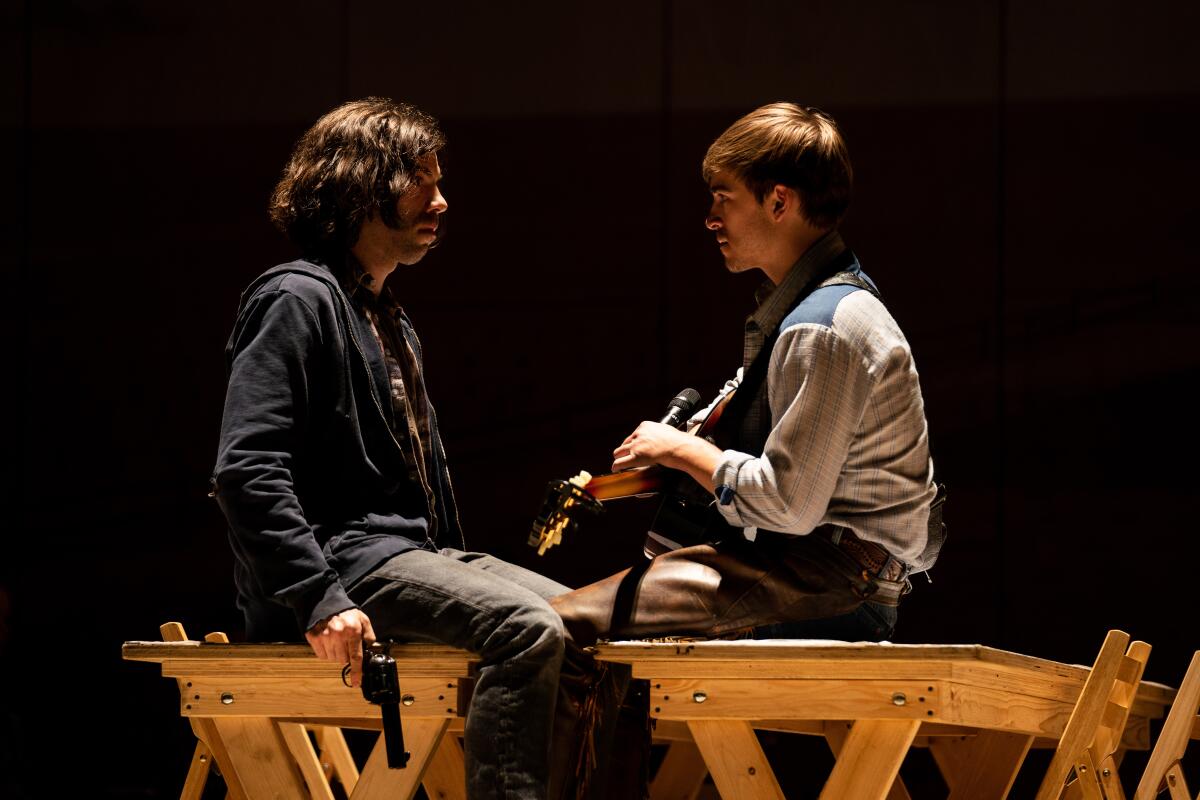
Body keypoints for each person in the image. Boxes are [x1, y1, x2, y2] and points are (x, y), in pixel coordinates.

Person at [212, 98, 577, 800]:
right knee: (527, 629)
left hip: (410, 556)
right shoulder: (296, 298)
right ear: (360, 185)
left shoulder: (389, 319)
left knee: (588, 624)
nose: (443, 200)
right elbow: (247, 467)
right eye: (423, 181)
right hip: (344, 565)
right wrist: (319, 597)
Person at [551, 103, 942, 645]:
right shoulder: (813, 309)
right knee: (582, 617)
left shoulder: (823, 328)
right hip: (815, 572)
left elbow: (787, 504)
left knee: (560, 625)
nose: (711, 217)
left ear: (778, 200)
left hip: (833, 585)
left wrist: (681, 451)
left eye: (723, 197)